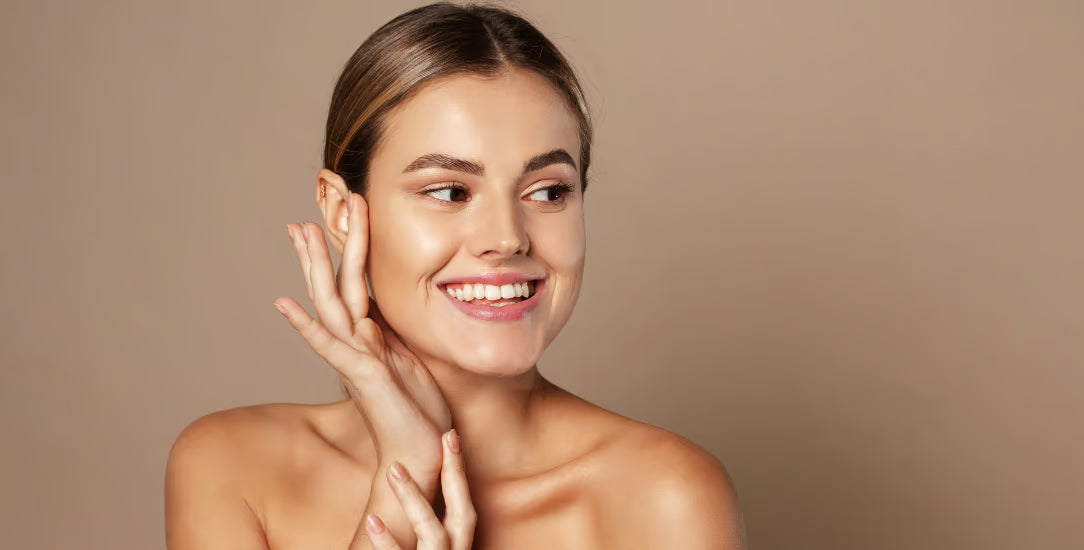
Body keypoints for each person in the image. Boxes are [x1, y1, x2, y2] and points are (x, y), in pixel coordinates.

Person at [165, 3, 746, 548]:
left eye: (548, 191)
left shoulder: (664, 496)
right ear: (343, 213)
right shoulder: (234, 468)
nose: (508, 237)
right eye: (449, 192)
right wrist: (402, 481)